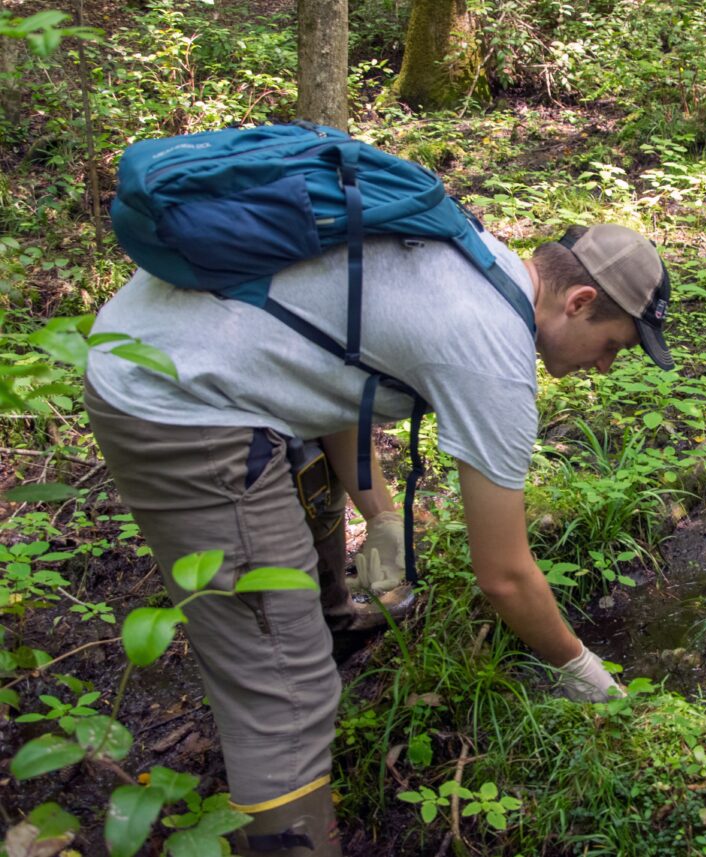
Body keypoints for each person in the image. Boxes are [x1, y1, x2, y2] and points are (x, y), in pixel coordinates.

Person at [84, 223, 674, 855]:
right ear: (579, 301)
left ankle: (329, 623)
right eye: (613, 345)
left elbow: (336, 380)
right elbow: (503, 573)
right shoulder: (492, 349)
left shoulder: (477, 259)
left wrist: (384, 519)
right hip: (173, 396)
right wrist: (580, 669)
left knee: (312, 502)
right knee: (284, 688)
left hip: (176, 340)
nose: (607, 365)